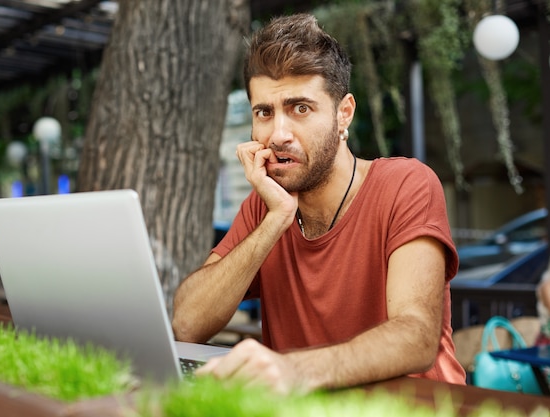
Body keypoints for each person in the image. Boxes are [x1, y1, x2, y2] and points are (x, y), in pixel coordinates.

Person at [172, 13, 466, 394]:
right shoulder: (265, 206)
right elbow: (187, 324)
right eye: (264, 112)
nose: (278, 134)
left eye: (300, 109)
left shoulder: (405, 184)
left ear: (344, 113)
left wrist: (293, 370)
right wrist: (275, 220)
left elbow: (416, 337)